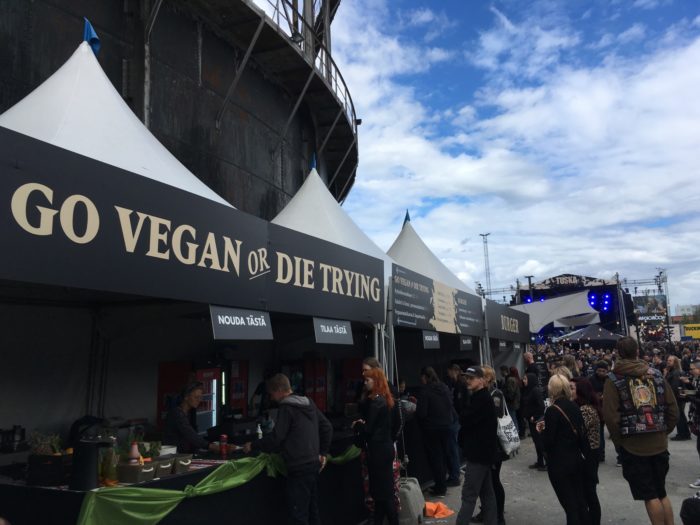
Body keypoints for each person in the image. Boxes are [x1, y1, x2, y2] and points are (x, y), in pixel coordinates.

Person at [602, 337, 679, 525]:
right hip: (659, 442)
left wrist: (620, 442)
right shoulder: (656, 374)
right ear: (637, 351)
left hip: (634, 445)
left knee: (649, 495)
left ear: (618, 353)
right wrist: (663, 430)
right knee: (661, 492)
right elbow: (673, 408)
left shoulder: (613, 379)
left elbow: (611, 417)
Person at [243, 373, 333, 525]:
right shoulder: (309, 403)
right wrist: (322, 453)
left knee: (299, 515)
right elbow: (327, 427)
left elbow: (277, 438)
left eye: (272, 394)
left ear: (279, 390)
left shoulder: (286, 407)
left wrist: (253, 445)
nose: (271, 398)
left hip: (298, 468)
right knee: (312, 511)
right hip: (313, 465)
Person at [536, 374, 591, 525]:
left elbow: (548, 441)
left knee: (570, 505)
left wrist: (541, 433)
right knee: (579, 502)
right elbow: (581, 434)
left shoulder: (553, 410)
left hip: (560, 463)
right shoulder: (574, 406)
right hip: (576, 459)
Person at [353, 368, 399, 525]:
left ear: (376, 381)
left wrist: (358, 426)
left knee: (384, 494)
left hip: (378, 450)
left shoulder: (376, 401)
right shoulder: (385, 399)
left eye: (367, 380)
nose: (365, 383)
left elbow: (368, 429)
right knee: (382, 493)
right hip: (384, 448)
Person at [455, 366, 498, 525]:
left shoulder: (481, 399)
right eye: (467, 378)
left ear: (482, 380)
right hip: (483, 454)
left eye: (471, 378)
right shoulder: (480, 397)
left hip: (478, 455)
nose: (468, 380)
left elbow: (465, 418)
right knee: (487, 493)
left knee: (469, 495)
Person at [416, 366, 455, 497]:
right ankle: (441, 485)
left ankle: (440, 487)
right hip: (447, 426)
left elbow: (422, 413)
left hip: (432, 429)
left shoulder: (425, 391)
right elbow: (450, 404)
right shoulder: (444, 387)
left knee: (436, 459)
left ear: (425, 377)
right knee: (444, 457)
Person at [572, 377, 602, 525]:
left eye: (572, 388)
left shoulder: (586, 410)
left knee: (589, 493)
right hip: (589, 453)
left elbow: (575, 430)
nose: (569, 391)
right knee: (587, 492)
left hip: (588, 454)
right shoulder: (585, 408)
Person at [163, 381, 220, 454]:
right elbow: (191, 435)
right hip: (172, 455)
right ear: (186, 397)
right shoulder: (177, 414)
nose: (199, 400)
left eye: (200, 397)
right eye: (196, 397)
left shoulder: (187, 413)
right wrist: (211, 446)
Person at [445, 364, 465, 486]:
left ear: (455, 371)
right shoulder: (457, 383)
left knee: (453, 447)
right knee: (454, 447)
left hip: (456, 419)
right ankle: (455, 473)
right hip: (457, 418)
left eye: (450, 371)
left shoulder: (460, 384)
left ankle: (455, 475)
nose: (448, 374)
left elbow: (460, 403)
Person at [522, 372, 546, 470]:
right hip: (531, 421)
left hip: (536, 421)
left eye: (525, 379)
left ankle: (544, 463)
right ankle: (540, 462)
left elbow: (541, 406)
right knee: (536, 442)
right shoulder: (529, 390)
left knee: (540, 442)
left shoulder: (535, 391)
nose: (523, 381)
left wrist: (534, 416)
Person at [683, 358, 700, 489]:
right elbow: (696, 392)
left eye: (693, 368)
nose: (690, 370)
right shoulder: (696, 380)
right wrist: (688, 385)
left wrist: (689, 397)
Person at [667, 355, 691, 441]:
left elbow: (674, 387)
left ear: (675, 362)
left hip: (676, 397)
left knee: (679, 416)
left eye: (670, 360)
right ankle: (685, 433)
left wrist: (670, 398)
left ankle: (682, 434)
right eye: (668, 360)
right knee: (681, 415)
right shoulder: (674, 371)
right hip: (679, 397)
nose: (668, 361)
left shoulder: (675, 372)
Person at [589, 361, 609, 462]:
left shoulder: (609, 379)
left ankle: (601, 454)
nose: (601, 373)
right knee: (598, 433)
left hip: (606, 408)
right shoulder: (592, 379)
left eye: (603, 371)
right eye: (599, 370)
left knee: (601, 433)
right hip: (595, 408)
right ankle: (599, 454)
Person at [501, 366, 521, 436]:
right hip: (514, 402)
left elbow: (511, 393)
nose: (500, 373)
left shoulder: (510, 380)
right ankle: (516, 432)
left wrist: (505, 394)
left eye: (501, 371)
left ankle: (516, 433)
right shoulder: (514, 379)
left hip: (512, 403)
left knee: (513, 418)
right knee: (514, 418)